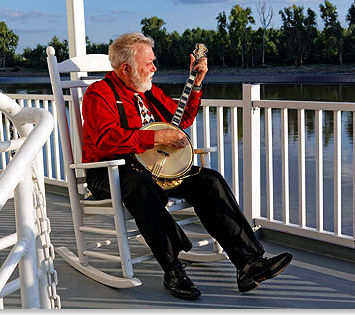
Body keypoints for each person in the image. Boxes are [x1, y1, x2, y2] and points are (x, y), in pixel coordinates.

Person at [82, 32, 292, 300]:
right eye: (149, 63)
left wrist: (196, 85)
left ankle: (248, 263)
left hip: (155, 168)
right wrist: (155, 137)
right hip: (110, 171)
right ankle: (173, 270)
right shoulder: (98, 94)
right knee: (142, 188)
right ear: (126, 68)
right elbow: (105, 141)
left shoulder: (149, 92)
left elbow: (180, 121)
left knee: (210, 181)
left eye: (153, 62)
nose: (155, 68)